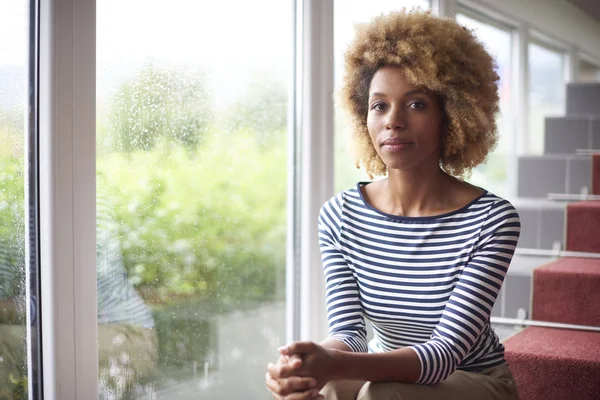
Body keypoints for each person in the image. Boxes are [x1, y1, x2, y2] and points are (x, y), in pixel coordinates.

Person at [265, 9, 521, 400]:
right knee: (318, 388)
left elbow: (443, 355)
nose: (393, 121)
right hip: (384, 372)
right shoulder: (340, 215)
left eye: (416, 104)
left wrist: (336, 365)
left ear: (451, 117)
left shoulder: (492, 220)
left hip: (476, 379)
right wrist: (303, 367)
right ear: (362, 115)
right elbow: (350, 335)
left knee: (381, 395)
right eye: (379, 105)